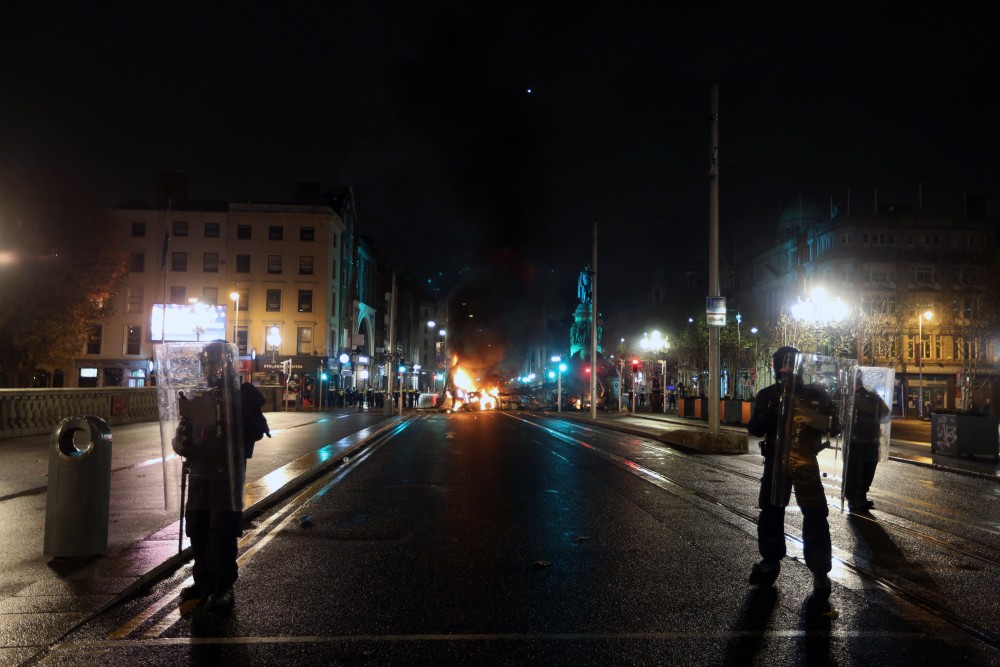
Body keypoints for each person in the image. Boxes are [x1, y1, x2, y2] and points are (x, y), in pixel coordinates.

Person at [174, 340, 269, 611]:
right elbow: (181, 436)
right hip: (200, 473)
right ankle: (203, 580)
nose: (209, 367)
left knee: (221, 529)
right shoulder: (197, 396)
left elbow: (256, 432)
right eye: (206, 362)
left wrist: (232, 421)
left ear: (227, 364)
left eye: (214, 362)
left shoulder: (242, 395)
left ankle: (223, 585)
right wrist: (182, 441)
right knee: (198, 527)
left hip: (226, 474)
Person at [747, 345, 837, 596]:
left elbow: (833, 426)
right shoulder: (768, 395)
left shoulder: (814, 395)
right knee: (771, 511)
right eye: (780, 365)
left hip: (806, 463)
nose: (785, 370)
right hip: (776, 463)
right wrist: (773, 410)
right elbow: (754, 428)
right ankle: (771, 560)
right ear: (775, 367)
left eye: (789, 365)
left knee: (816, 515)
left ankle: (820, 571)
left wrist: (816, 413)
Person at [845, 370, 891, 513]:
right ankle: (856, 499)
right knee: (859, 471)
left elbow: (884, 413)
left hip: (864, 440)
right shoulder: (866, 396)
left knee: (862, 471)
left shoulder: (865, 396)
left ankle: (858, 498)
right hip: (863, 440)